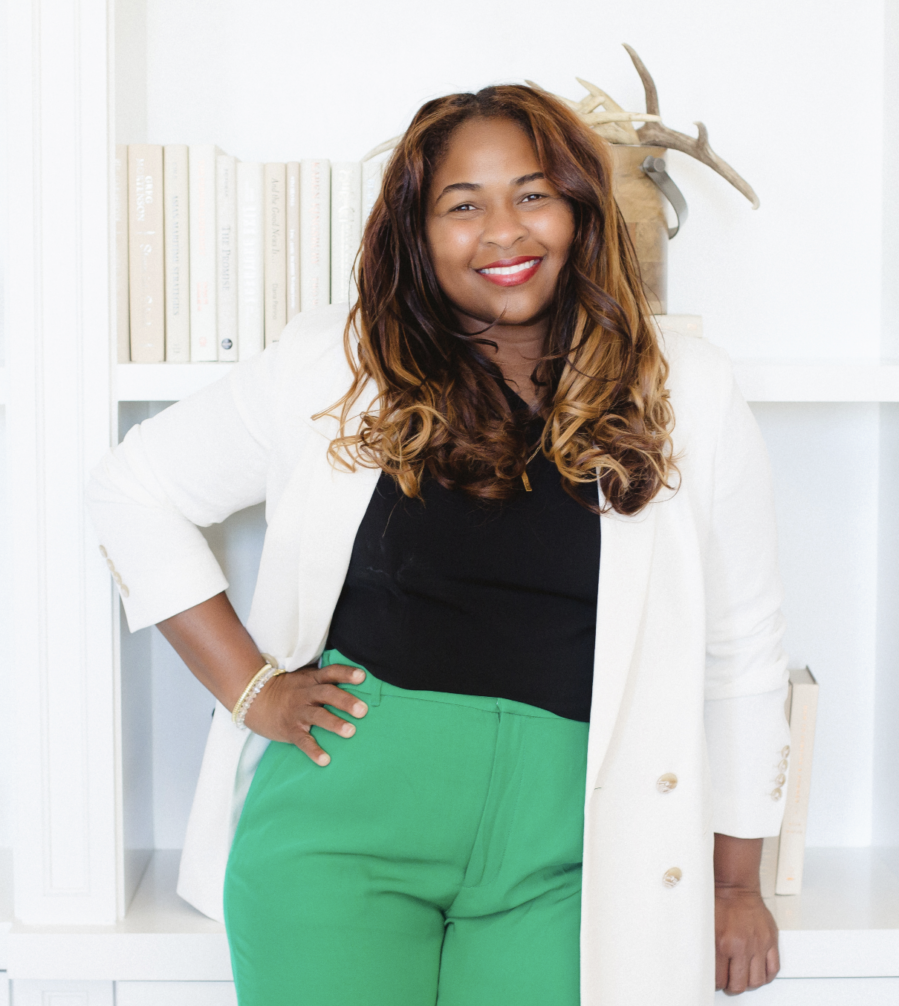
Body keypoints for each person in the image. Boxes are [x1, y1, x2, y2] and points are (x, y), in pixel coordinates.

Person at [87, 85, 791, 1005]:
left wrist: (735, 883)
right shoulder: (338, 362)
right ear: (416, 234)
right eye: (463, 205)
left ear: (581, 210)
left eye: (534, 194)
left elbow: (741, 652)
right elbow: (134, 488)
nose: (504, 231)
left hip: (575, 850)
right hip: (339, 833)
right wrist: (252, 690)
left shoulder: (686, 391)